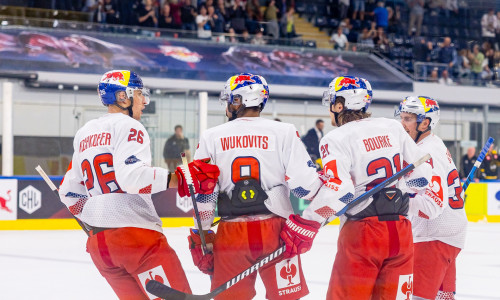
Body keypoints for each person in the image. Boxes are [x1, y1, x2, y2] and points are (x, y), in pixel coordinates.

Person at [58, 70, 219, 299]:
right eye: (140, 94)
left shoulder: (85, 132)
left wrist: (96, 219)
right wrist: (180, 179)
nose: (144, 101)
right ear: (123, 96)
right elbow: (131, 178)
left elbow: (69, 192)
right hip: (137, 241)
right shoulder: (130, 127)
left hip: (100, 247)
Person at [288, 76, 440, 299]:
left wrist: (308, 222)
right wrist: (394, 190)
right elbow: (423, 175)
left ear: (340, 105)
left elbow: (340, 190)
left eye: (332, 103)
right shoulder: (392, 127)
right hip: (401, 232)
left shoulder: (335, 137)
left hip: (363, 233)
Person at [187, 73, 326, 300]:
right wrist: (324, 183)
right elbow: (305, 188)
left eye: (229, 99)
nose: (226, 106)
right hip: (277, 231)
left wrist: (201, 234)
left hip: (232, 235)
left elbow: (204, 194)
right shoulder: (285, 131)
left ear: (238, 100)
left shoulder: (211, 136)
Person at [395, 96, 468, 300]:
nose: (402, 124)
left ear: (425, 123)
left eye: (408, 118)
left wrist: (398, 195)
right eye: (401, 117)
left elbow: (431, 206)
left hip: (433, 238)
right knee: (441, 297)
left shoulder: (426, 151)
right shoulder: (433, 144)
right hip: (448, 235)